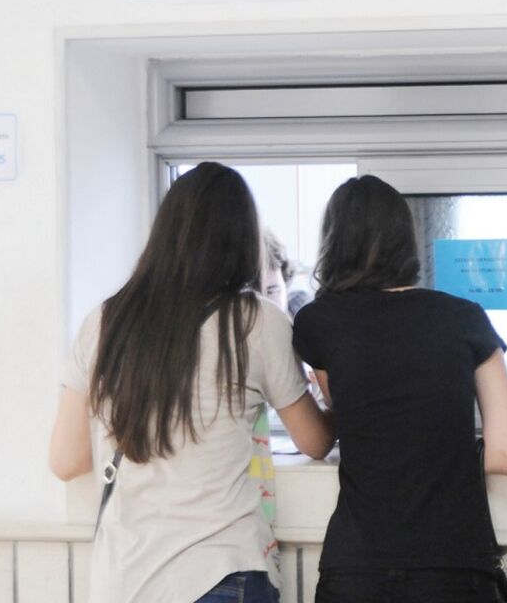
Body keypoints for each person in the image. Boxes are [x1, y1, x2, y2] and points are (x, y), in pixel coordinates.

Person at [48, 162, 335, 603]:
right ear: (242, 241)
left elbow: (66, 460)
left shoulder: (105, 321)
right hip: (221, 570)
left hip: (124, 582)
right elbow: (314, 441)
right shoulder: (255, 321)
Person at [292, 174, 507, 603]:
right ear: (407, 239)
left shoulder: (318, 321)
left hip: (356, 569)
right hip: (453, 568)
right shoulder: (464, 317)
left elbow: (345, 412)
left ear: (334, 243)